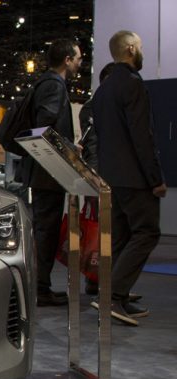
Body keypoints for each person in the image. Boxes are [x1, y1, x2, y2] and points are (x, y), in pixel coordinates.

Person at [91, 30, 167, 325]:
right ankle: (114, 295)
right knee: (147, 233)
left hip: (110, 178)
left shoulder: (104, 89)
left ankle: (114, 298)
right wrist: (155, 177)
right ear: (132, 48)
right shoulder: (133, 84)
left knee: (121, 238)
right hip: (135, 178)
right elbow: (142, 135)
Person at [20, 39, 83, 306]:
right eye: (78, 57)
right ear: (67, 60)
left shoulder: (47, 83)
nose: (81, 62)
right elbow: (42, 128)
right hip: (48, 173)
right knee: (46, 231)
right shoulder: (53, 86)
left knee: (45, 230)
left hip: (44, 172)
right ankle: (40, 289)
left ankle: (41, 286)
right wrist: (69, 148)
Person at [78, 61, 115, 295]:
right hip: (101, 177)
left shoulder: (91, 107)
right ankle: (95, 279)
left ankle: (101, 279)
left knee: (102, 229)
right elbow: (92, 145)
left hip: (100, 176)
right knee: (99, 229)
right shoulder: (95, 108)